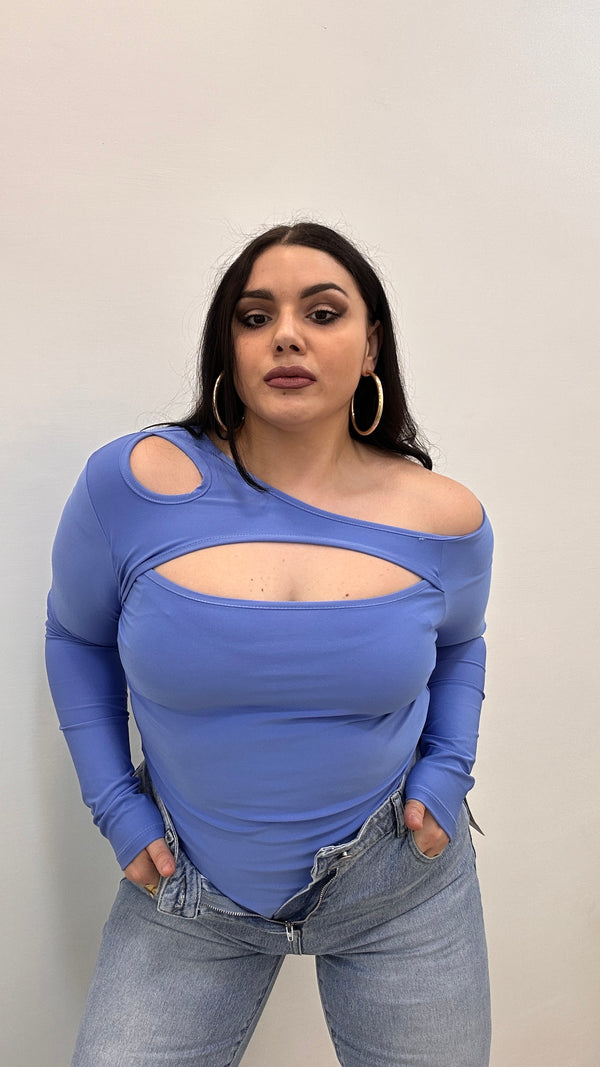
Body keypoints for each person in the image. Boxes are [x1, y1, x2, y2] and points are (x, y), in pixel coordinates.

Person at [45, 222, 493, 1067]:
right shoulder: (133, 484)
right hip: (187, 888)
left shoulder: (443, 516)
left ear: (371, 347)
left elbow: (462, 644)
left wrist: (447, 771)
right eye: (255, 317)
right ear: (229, 348)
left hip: (399, 888)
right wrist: (116, 808)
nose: (286, 335)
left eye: (322, 312)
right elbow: (75, 636)